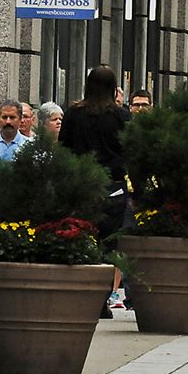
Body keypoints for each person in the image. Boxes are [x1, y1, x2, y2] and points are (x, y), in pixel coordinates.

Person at [59, 66, 131, 317]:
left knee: (82, 239)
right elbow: (130, 152)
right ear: (114, 88)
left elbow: (63, 150)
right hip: (113, 188)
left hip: (80, 186)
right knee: (108, 246)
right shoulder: (122, 117)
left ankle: (83, 295)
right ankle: (102, 298)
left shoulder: (73, 115)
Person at [0, 99, 32, 165]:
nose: (8, 122)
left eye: (12, 117)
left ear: (20, 119)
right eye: (4, 117)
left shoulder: (29, 145)